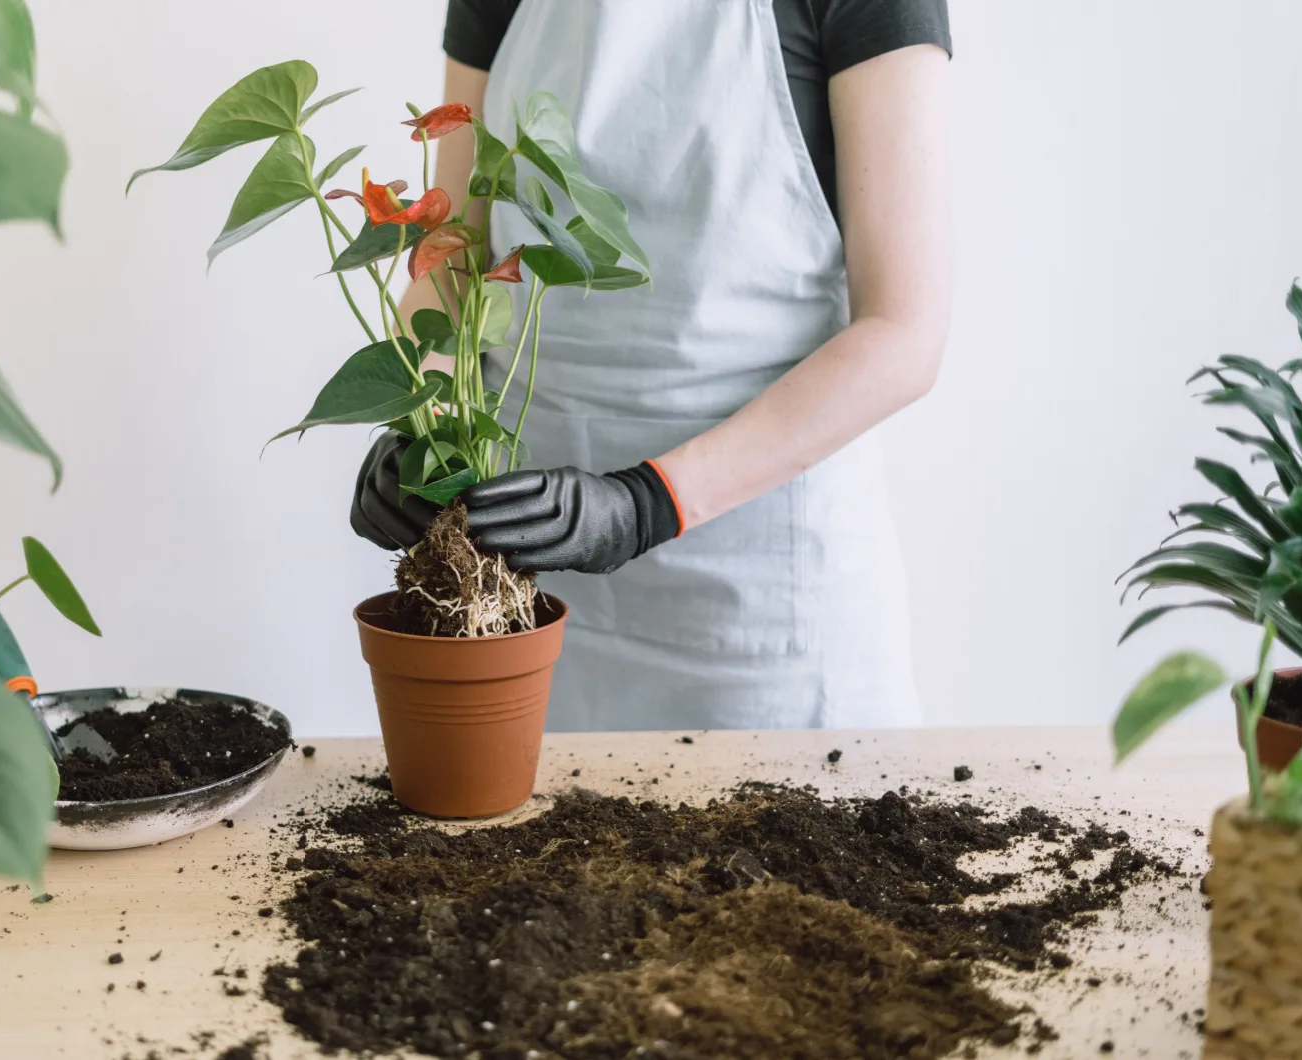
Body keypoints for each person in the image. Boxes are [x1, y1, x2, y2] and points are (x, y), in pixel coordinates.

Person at [351, 0, 954, 732]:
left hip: (757, 605)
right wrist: (426, 427)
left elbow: (902, 332)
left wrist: (647, 503)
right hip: (520, 575)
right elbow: (457, 254)